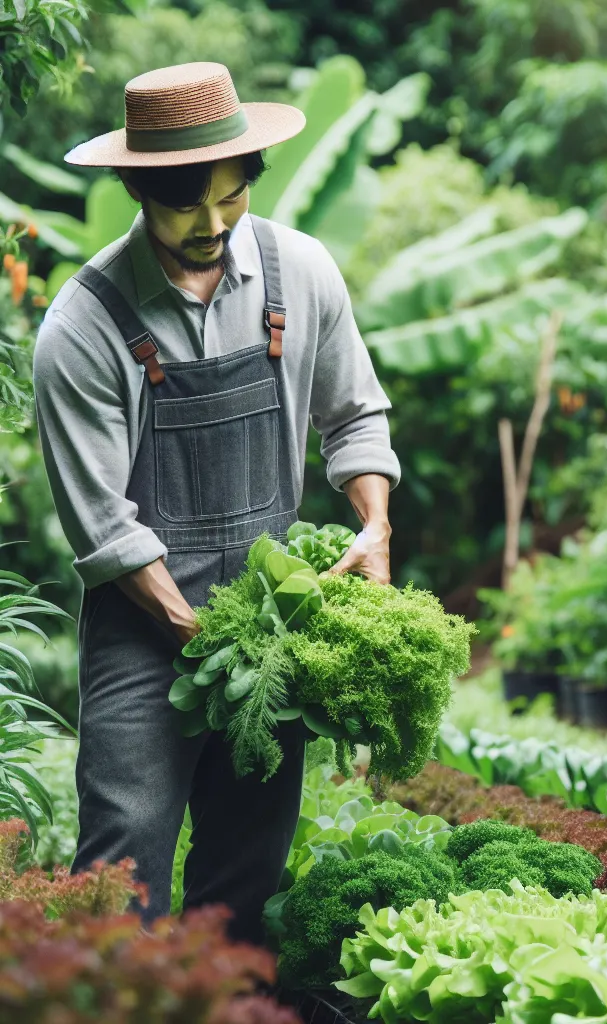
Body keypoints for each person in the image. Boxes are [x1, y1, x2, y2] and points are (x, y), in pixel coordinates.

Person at [32, 62, 400, 945]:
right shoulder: (82, 327)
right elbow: (105, 527)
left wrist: (375, 527)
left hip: (270, 623)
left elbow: (354, 417)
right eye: (185, 206)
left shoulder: (300, 272)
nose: (213, 226)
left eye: (231, 199)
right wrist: (205, 642)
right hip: (143, 627)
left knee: (248, 867)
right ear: (138, 188)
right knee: (121, 867)